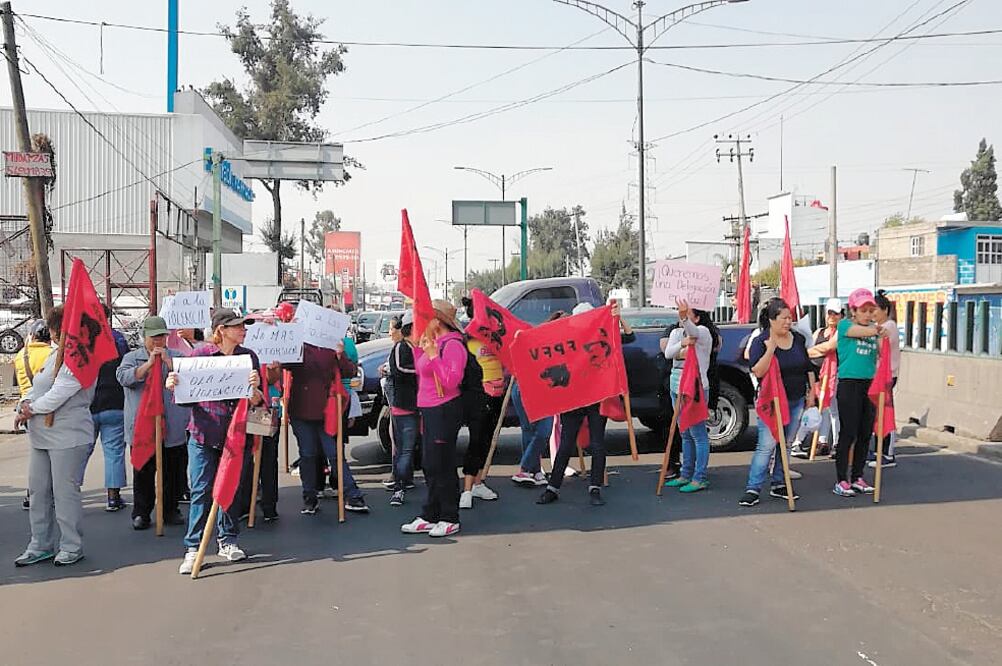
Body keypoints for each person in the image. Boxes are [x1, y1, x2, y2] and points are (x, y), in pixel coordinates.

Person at [168, 308, 265, 575]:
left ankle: (228, 539)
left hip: (236, 437)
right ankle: (193, 547)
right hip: (203, 434)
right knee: (200, 490)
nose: (243, 330)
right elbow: (186, 399)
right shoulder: (199, 356)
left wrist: (255, 390)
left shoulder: (249, 357)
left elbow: (258, 402)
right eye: (237, 326)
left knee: (232, 489)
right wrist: (175, 383)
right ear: (221, 330)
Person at [13, 306, 96, 567]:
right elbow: (37, 387)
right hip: (41, 435)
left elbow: (60, 392)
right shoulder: (53, 355)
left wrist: (32, 409)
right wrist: (24, 405)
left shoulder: (81, 357)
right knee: (38, 492)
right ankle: (40, 544)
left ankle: (71, 545)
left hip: (68, 437)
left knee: (64, 494)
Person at [537, 301, 635, 507]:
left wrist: (617, 317)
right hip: (573, 398)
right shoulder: (567, 338)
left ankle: (594, 487)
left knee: (596, 443)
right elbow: (541, 344)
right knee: (567, 443)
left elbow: (629, 337)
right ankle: (553, 487)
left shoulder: (602, 335)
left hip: (597, 397)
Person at [738, 298, 816, 507]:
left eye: (790, 318)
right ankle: (753, 488)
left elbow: (808, 366)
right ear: (772, 320)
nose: (788, 322)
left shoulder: (798, 339)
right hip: (771, 402)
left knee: (787, 443)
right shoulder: (760, 341)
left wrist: (811, 393)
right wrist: (770, 349)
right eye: (784, 318)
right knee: (767, 444)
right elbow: (757, 370)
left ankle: (779, 482)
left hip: (796, 399)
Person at [117, 316, 192, 530]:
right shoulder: (132, 358)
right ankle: (142, 512)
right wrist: (149, 364)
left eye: (162, 336)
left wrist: (169, 363)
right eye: (154, 337)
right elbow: (124, 378)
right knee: (144, 472)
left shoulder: (177, 357)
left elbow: (190, 380)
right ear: (145, 338)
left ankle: (170, 508)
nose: (159, 341)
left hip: (173, 428)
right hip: (143, 429)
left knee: (173, 471)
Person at [401, 300, 466, 538]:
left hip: (444, 409)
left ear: (437, 322)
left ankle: (450, 516)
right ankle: (431, 513)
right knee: (429, 464)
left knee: (442, 465)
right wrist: (422, 348)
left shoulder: (453, 346)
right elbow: (422, 370)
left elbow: (451, 380)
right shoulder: (435, 343)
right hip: (429, 408)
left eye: (427, 318)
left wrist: (433, 356)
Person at [286, 338, 368, 515]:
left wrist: (340, 354)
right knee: (308, 454)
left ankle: (352, 495)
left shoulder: (332, 344)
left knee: (334, 453)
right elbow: (285, 365)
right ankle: (310, 497)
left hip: (327, 410)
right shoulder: (299, 344)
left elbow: (349, 371)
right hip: (302, 409)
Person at [830, 288, 885, 498]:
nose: (868, 314)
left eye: (871, 310)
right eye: (863, 310)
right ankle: (842, 479)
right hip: (849, 385)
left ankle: (858, 476)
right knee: (848, 433)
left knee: (865, 433)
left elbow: (883, 350)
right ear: (853, 311)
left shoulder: (874, 330)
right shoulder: (845, 326)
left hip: (869, 386)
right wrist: (877, 330)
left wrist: (884, 336)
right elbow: (860, 332)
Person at [662, 299, 718, 494]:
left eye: (686, 313)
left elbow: (693, 332)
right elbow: (668, 353)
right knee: (683, 432)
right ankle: (685, 473)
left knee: (698, 433)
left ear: (697, 316)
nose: (681, 316)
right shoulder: (677, 332)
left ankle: (699, 477)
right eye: (679, 313)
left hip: (695, 387)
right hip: (676, 386)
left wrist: (686, 320)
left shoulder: (703, 332)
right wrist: (682, 343)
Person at [80, 305, 130, 512]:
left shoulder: (82, 341)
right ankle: (113, 497)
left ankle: (67, 490)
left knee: (81, 450)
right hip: (115, 402)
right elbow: (126, 366)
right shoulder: (118, 339)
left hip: (87, 404)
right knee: (114, 452)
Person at [459, 296, 502, 510]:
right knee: (476, 440)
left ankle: (478, 483)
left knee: (487, 439)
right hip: (478, 395)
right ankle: (466, 489)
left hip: (498, 394)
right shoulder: (466, 339)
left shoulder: (497, 336)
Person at [793, 298, 844, 459]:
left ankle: (835, 444)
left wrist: (813, 351)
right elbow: (811, 348)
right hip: (816, 375)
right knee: (814, 409)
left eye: (836, 313)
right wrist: (814, 351)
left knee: (833, 411)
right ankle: (800, 442)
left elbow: (828, 347)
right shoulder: (819, 332)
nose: (832, 316)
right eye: (830, 313)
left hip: (833, 375)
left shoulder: (841, 332)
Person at [14, 319, 53, 511]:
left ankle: (33, 494)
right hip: (48, 408)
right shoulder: (52, 355)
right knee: (51, 455)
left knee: (37, 454)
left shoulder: (21, 355)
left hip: (25, 408)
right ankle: (48, 494)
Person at [387, 311, 419, 507]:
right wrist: (423, 370)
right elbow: (399, 370)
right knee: (404, 450)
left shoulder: (417, 347)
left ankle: (404, 482)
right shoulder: (401, 347)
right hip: (402, 406)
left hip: (417, 405)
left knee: (408, 448)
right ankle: (398, 487)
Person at [869, 289, 900, 469]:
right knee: (879, 412)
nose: (872, 314)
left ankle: (888, 453)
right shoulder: (881, 327)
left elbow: (881, 346)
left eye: (874, 310)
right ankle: (880, 450)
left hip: (888, 375)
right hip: (879, 375)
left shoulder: (889, 326)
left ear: (885, 310)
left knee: (885, 412)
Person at [509, 379, 552, 487]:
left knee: (544, 432)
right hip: (524, 387)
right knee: (529, 430)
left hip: (547, 388)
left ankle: (527, 468)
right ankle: (533, 470)